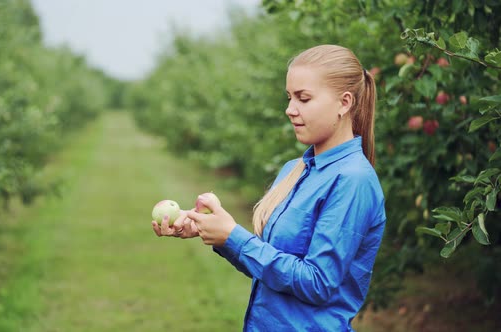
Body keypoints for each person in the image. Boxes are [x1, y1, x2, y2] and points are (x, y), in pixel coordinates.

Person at [152, 44, 386, 331]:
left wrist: (234, 237)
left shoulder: (353, 180)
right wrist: (215, 231)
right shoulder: (294, 170)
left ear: (344, 102)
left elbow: (318, 283)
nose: (290, 109)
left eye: (303, 98)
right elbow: (270, 269)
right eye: (289, 97)